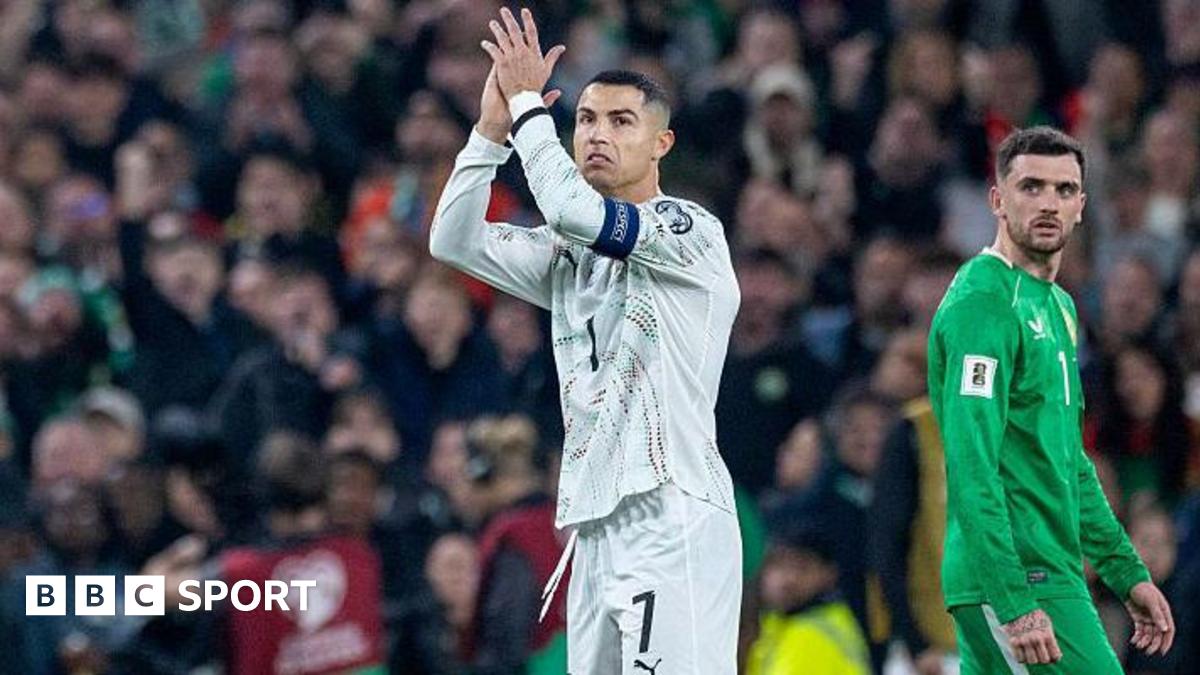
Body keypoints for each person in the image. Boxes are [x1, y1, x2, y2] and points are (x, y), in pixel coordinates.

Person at [429, 7, 742, 673]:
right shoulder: (570, 254)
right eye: (587, 119)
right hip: (595, 526)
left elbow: (574, 209)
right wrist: (489, 132)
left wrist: (524, 107)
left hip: (672, 513)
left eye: (622, 121)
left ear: (662, 144)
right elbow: (452, 238)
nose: (598, 133)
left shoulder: (688, 231)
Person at [928, 126, 1175, 672]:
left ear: (1082, 206)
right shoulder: (984, 303)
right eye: (1031, 186)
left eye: (1064, 190)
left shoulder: (1059, 307)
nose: (1048, 203)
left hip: (1042, 569)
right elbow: (972, 464)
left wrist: (1124, 570)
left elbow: (1067, 461)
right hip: (1020, 575)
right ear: (997, 199)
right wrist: (1016, 602)